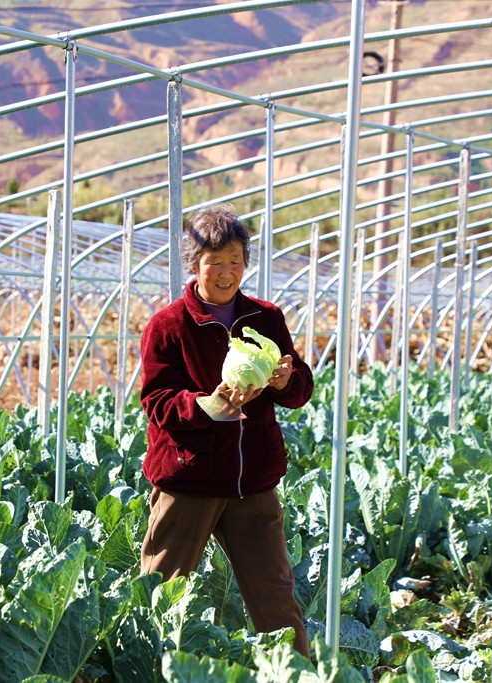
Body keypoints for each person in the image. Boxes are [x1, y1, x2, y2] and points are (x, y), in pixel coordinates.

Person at [138, 203, 314, 657]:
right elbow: (156, 401)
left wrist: (285, 380)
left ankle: (296, 671)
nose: (226, 272)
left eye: (235, 260)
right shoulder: (168, 326)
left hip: (252, 481)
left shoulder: (266, 318)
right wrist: (208, 405)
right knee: (161, 596)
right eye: (215, 261)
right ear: (194, 264)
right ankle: (147, 667)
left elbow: (300, 388)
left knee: (277, 600)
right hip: (190, 479)